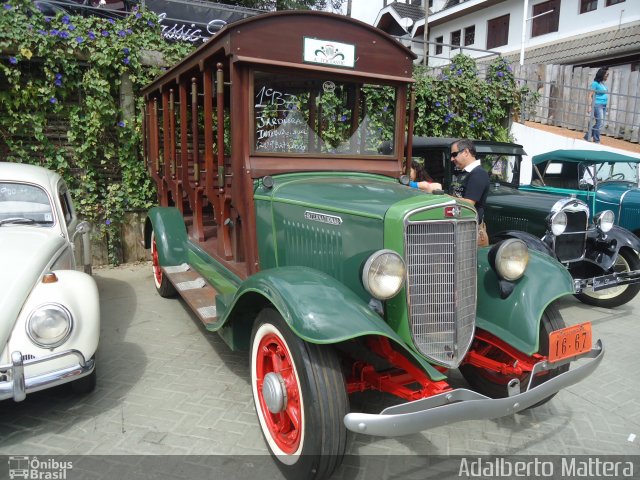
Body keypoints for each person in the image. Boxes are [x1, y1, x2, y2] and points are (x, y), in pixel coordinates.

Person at [449, 139, 490, 246]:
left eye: (454, 154)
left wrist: (442, 197)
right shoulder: (463, 173)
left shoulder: (478, 174)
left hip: (469, 233)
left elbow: (468, 203)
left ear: (466, 152)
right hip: (458, 229)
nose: (452, 158)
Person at [584, 67, 609, 144]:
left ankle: (587, 136)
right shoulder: (595, 83)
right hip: (597, 105)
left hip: (604, 105)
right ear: (602, 75)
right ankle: (597, 140)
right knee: (600, 123)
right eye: (606, 75)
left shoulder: (602, 84)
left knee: (600, 123)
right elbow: (590, 95)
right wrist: (589, 106)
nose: (607, 76)